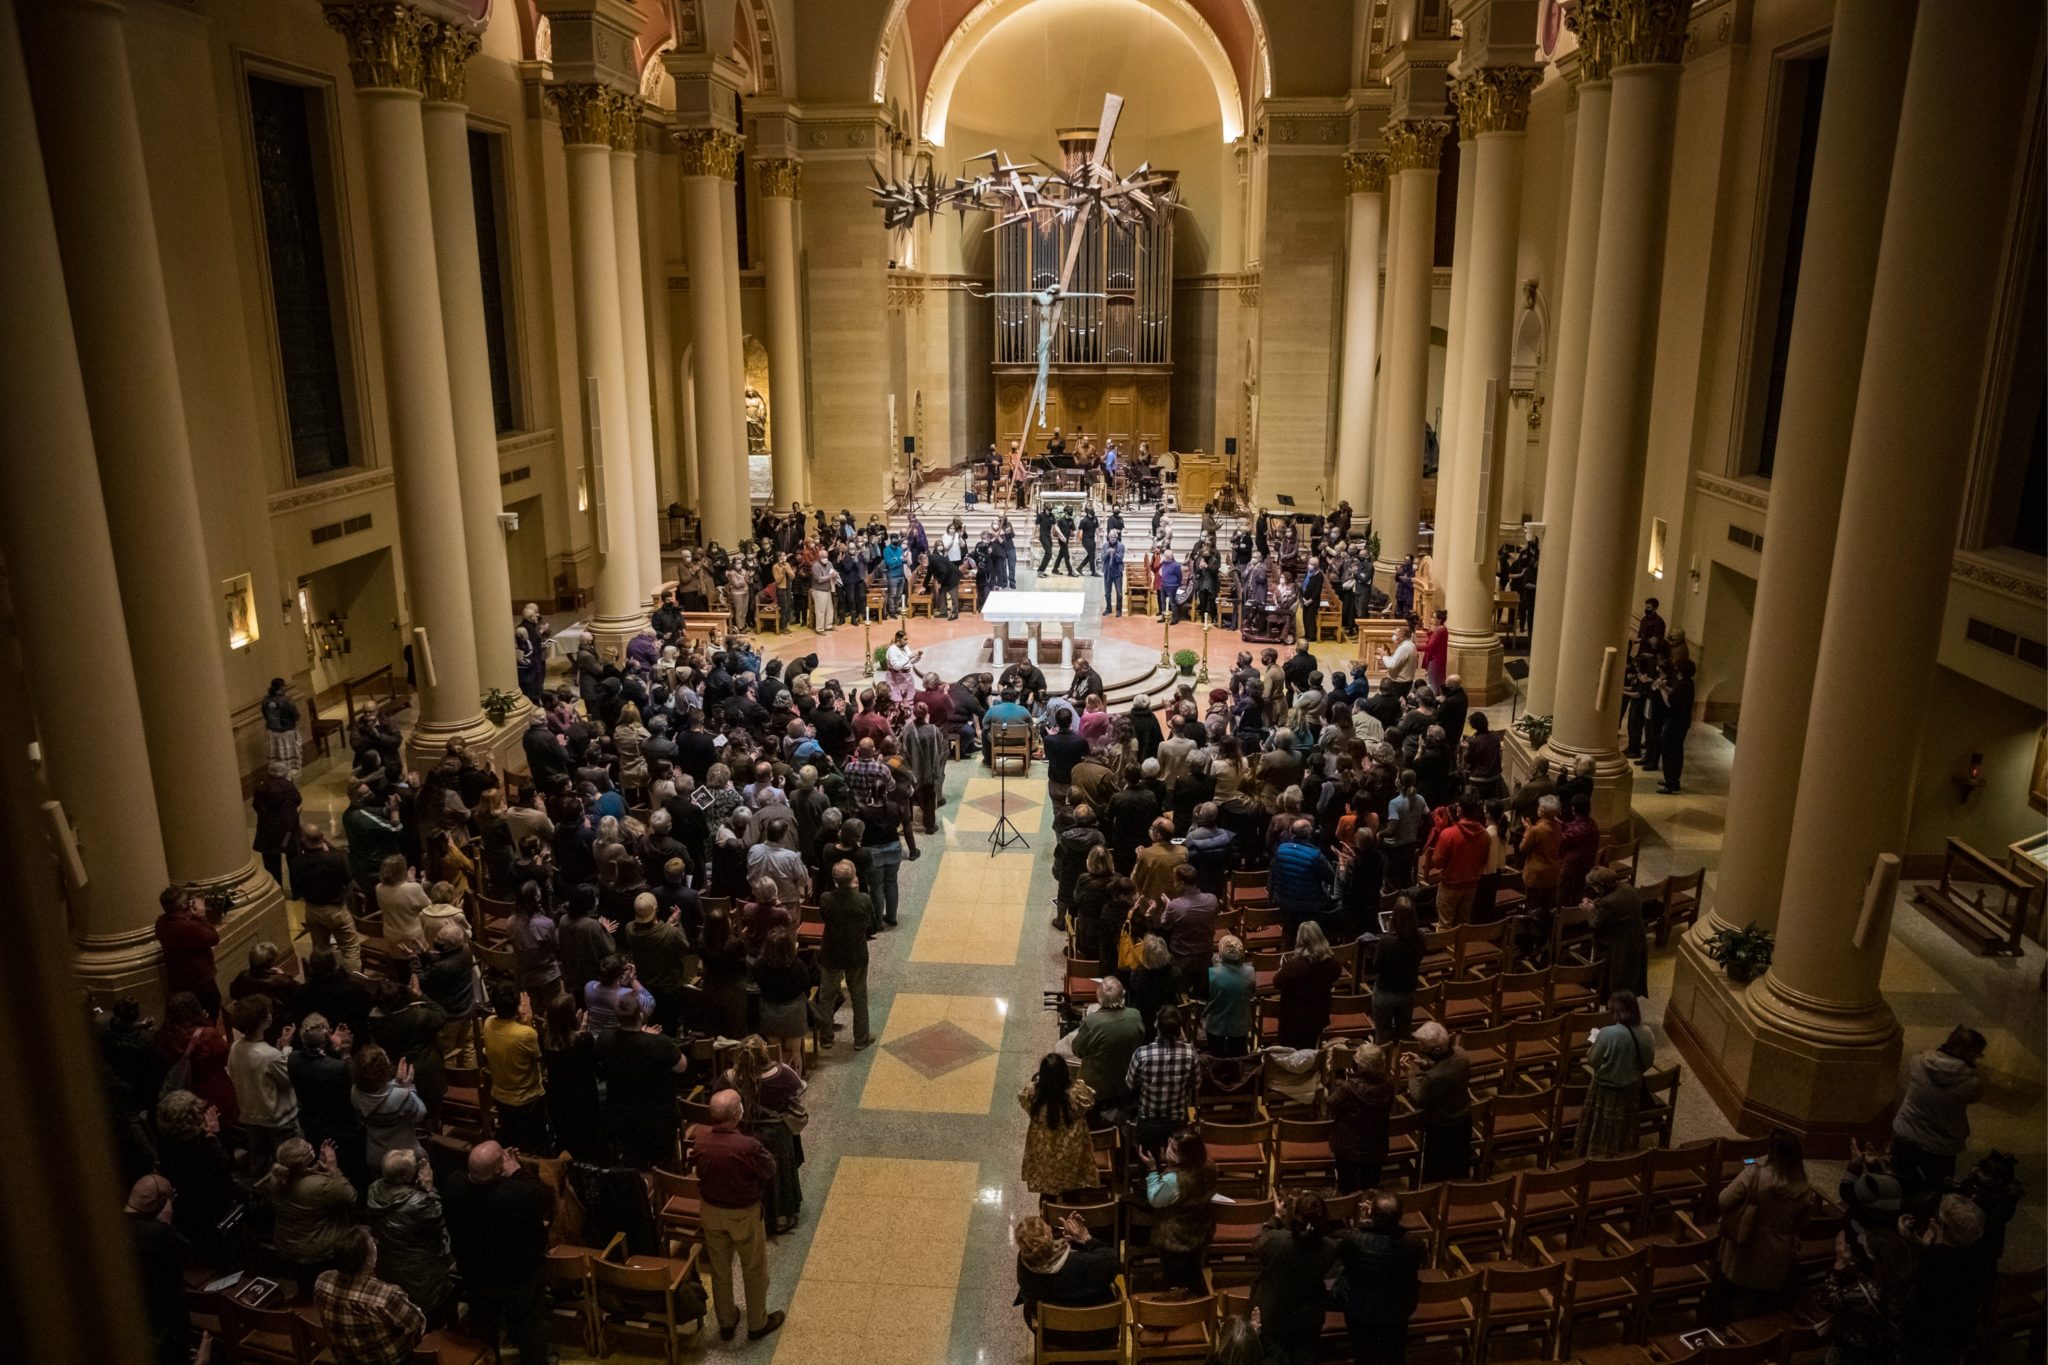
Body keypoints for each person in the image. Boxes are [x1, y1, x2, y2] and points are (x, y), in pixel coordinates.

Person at [688, 1089, 787, 1342]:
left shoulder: (700, 1139)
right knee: (753, 1268)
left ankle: (727, 1321)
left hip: (711, 1211)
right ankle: (757, 1322)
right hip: (743, 1214)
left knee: (720, 1269)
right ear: (736, 1114)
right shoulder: (747, 1145)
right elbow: (769, 1168)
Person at [443, 1141, 554, 1365]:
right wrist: (516, 1170)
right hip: (519, 1276)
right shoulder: (520, 1195)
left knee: (483, 1329)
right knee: (529, 1327)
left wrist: (501, 1169)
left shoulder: (453, 1186)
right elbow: (545, 1197)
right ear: (498, 1170)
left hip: (476, 1274)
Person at [1714, 1128, 1814, 1313]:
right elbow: (1802, 1226)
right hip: (1777, 1256)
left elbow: (1723, 1200)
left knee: (1733, 1301)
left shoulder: (1754, 1175)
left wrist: (1754, 1168)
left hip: (1745, 1247)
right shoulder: (1804, 1188)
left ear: (1771, 1152)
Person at [1890, 1025, 1987, 1192]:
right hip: (1941, 1144)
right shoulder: (1972, 1083)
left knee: (1898, 1178)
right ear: (1971, 1053)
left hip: (1906, 1131)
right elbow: (1974, 1098)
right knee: (1934, 1187)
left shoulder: (1918, 1061)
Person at [595, 993, 689, 1166]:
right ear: (641, 1015)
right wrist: (650, 1037)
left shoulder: (604, 1039)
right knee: (662, 1160)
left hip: (621, 1114)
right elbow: (681, 1066)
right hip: (658, 1117)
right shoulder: (659, 1043)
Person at [365, 1148, 454, 1327]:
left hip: (389, 1263)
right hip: (420, 1270)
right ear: (408, 1177)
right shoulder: (419, 1202)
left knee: (402, 1310)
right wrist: (429, 1187)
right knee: (429, 1318)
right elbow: (438, 1220)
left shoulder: (374, 1190)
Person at [1334, 1190, 1424, 1365]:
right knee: (1395, 1352)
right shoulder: (1414, 1243)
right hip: (1397, 1310)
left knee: (1364, 1354)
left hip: (1360, 1309)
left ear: (1372, 1214)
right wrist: (1377, 1219)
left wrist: (1363, 1222)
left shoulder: (1356, 1238)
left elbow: (1344, 1258)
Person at [314, 1225, 426, 1365]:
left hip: (345, 1359)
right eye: (373, 1244)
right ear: (368, 1260)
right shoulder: (385, 1295)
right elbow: (417, 1325)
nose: (376, 1245)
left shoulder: (322, 1280)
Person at [1253, 1190, 1340, 1365]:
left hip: (1274, 1313)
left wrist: (1276, 1218)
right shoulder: (1330, 1248)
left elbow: (1258, 1245)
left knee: (1274, 1356)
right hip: (1308, 1316)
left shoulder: (1275, 1241)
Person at [260, 1136, 356, 1271]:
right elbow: (350, 1196)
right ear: (307, 1160)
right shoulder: (319, 1186)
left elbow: (299, 1176)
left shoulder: (276, 1178)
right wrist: (333, 1167)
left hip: (288, 1245)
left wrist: (317, 1167)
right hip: (318, 1250)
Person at [1142, 1126, 1218, 1298]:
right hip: (1200, 1230)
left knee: (1176, 1284)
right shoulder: (1208, 1166)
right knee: (1194, 1274)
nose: (1168, 1148)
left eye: (1174, 1148)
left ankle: (1179, 1313)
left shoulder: (1174, 1180)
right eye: (1170, 1142)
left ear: (1185, 1155)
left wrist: (1153, 1171)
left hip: (1175, 1238)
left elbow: (1155, 1198)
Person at [1576, 991, 1653, 1157]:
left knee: (1601, 1129)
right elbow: (1648, 1062)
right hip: (1631, 1090)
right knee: (1622, 1130)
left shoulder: (1608, 1033)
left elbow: (1592, 1060)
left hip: (1605, 1090)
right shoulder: (1647, 1032)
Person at [228, 995, 301, 1171]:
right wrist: (286, 1048)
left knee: (259, 1161)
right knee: (291, 1163)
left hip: (251, 1116)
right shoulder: (269, 1056)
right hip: (278, 1119)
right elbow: (288, 1078)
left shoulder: (235, 1047)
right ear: (264, 1020)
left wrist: (279, 1048)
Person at [124, 1174, 190, 1365]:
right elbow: (187, 1252)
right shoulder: (157, 1233)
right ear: (161, 1203)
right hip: (167, 1318)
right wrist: (166, 1223)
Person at [479, 983, 550, 1154]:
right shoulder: (526, 1034)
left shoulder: (488, 1023)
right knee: (534, 1143)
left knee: (512, 1139)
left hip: (500, 1096)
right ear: (517, 1007)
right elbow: (541, 1058)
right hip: (527, 1099)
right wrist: (529, 1022)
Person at [1013, 1213, 1121, 1325]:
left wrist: (1069, 1240)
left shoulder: (1024, 1266)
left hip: (1052, 1335)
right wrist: (1086, 1239)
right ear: (1049, 1233)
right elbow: (1112, 1262)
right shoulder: (1083, 1264)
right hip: (1098, 1331)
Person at [1126, 1006, 1200, 1160]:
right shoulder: (1190, 1052)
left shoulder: (1141, 1054)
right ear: (1179, 1029)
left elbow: (1130, 1084)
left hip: (1149, 1123)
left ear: (1156, 1025)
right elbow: (1196, 1083)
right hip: (1177, 1123)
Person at [1020, 1054, 1099, 1195]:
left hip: (1043, 1151)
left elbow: (1024, 1102)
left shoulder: (1032, 1094)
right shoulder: (1077, 1093)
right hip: (1072, 1151)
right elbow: (1091, 1100)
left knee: (1048, 1167)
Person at [816, 860, 874, 1051]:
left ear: (835, 881)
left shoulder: (825, 899)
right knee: (859, 996)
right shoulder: (863, 899)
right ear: (853, 879)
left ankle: (826, 1037)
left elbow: (824, 917)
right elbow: (870, 923)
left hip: (831, 953)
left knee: (826, 996)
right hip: (855, 953)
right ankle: (861, 1039)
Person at [1405, 1022, 1471, 1181]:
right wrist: (1426, 1064)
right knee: (1459, 1168)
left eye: (1423, 1049)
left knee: (1436, 1173)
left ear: (1436, 1050)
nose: (1420, 1050)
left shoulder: (1434, 1078)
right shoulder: (1462, 1055)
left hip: (1441, 1126)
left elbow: (1419, 1098)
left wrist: (1411, 1073)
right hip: (1463, 1118)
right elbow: (1446, 1068)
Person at [1071, 977, 1145, 1111]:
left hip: (1094, 1088)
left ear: (1099, 998)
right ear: (1123, 994)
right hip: (1125, 1083)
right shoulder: (1135, 1016)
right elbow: (1140, 1041)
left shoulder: (1091, 1022)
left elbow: (1077, 1050)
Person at [1331, 1043, 1395, 1194]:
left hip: (1348, 1148)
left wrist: (1343, 1081)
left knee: (1346, 1188)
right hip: (1376, 1146)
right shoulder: (1389, 1085)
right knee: (1370, 1188)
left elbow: (1331, 1104)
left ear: (1360, 1067)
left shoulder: (1348, 1088)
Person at [1272, 922, 1341, 1050]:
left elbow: (1277, 983)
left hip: (1292, 1021)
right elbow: (1335, 976)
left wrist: (1282, 969)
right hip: (1318, 1018)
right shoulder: (1333, 964)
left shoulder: (1292, 967)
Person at [1205, 935, 1256, 1057]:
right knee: (1237, 1057)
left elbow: (1206, 996)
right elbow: (1251, 993)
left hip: (1216, 1026)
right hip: (1240, 1025)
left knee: (1216, 1058)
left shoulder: (1212, 974)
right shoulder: (1250, 972)